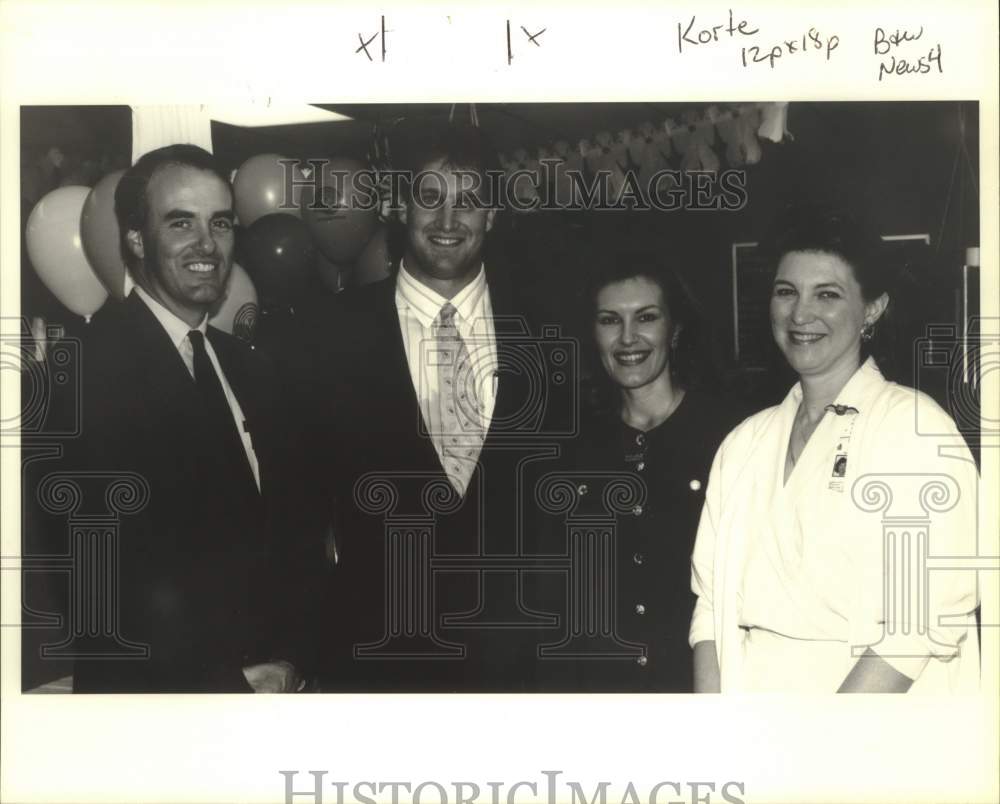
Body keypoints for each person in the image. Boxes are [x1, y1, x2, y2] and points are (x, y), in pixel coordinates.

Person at [298, 122, 571, 691]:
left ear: (492, 214)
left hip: (516, 667)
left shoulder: (548, 327)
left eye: (469, 201)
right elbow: (297, 513)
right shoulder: (328, 334)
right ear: (400, 206)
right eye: (430, 198)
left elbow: (560, 500)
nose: (449, 220)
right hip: (373, 664)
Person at [690, 207, 981, 693]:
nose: (800, 314)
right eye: (787, 292)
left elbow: (923, 620)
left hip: (867, 729)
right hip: (754, 726)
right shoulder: (744, 443)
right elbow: (711, 608)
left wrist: (827, 745)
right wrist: (719, 733)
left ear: (872, 309)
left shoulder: (913, 428)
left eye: (827, 294)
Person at [69, 144, 311, 692]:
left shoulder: (253, 368)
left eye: (220, 224)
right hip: (159, 719)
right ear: (135, 239)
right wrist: (225, 685)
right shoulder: (83, 374)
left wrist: (294, 661)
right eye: (182, 223)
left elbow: (294, 535)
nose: (207, 245)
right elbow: (100, 588)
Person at [530, 244, 741, 692]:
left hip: (700, 691)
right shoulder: (566, 449)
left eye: (646, 317)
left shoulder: (732, 436)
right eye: (610, 320)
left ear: (675, 328)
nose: (628, 338)